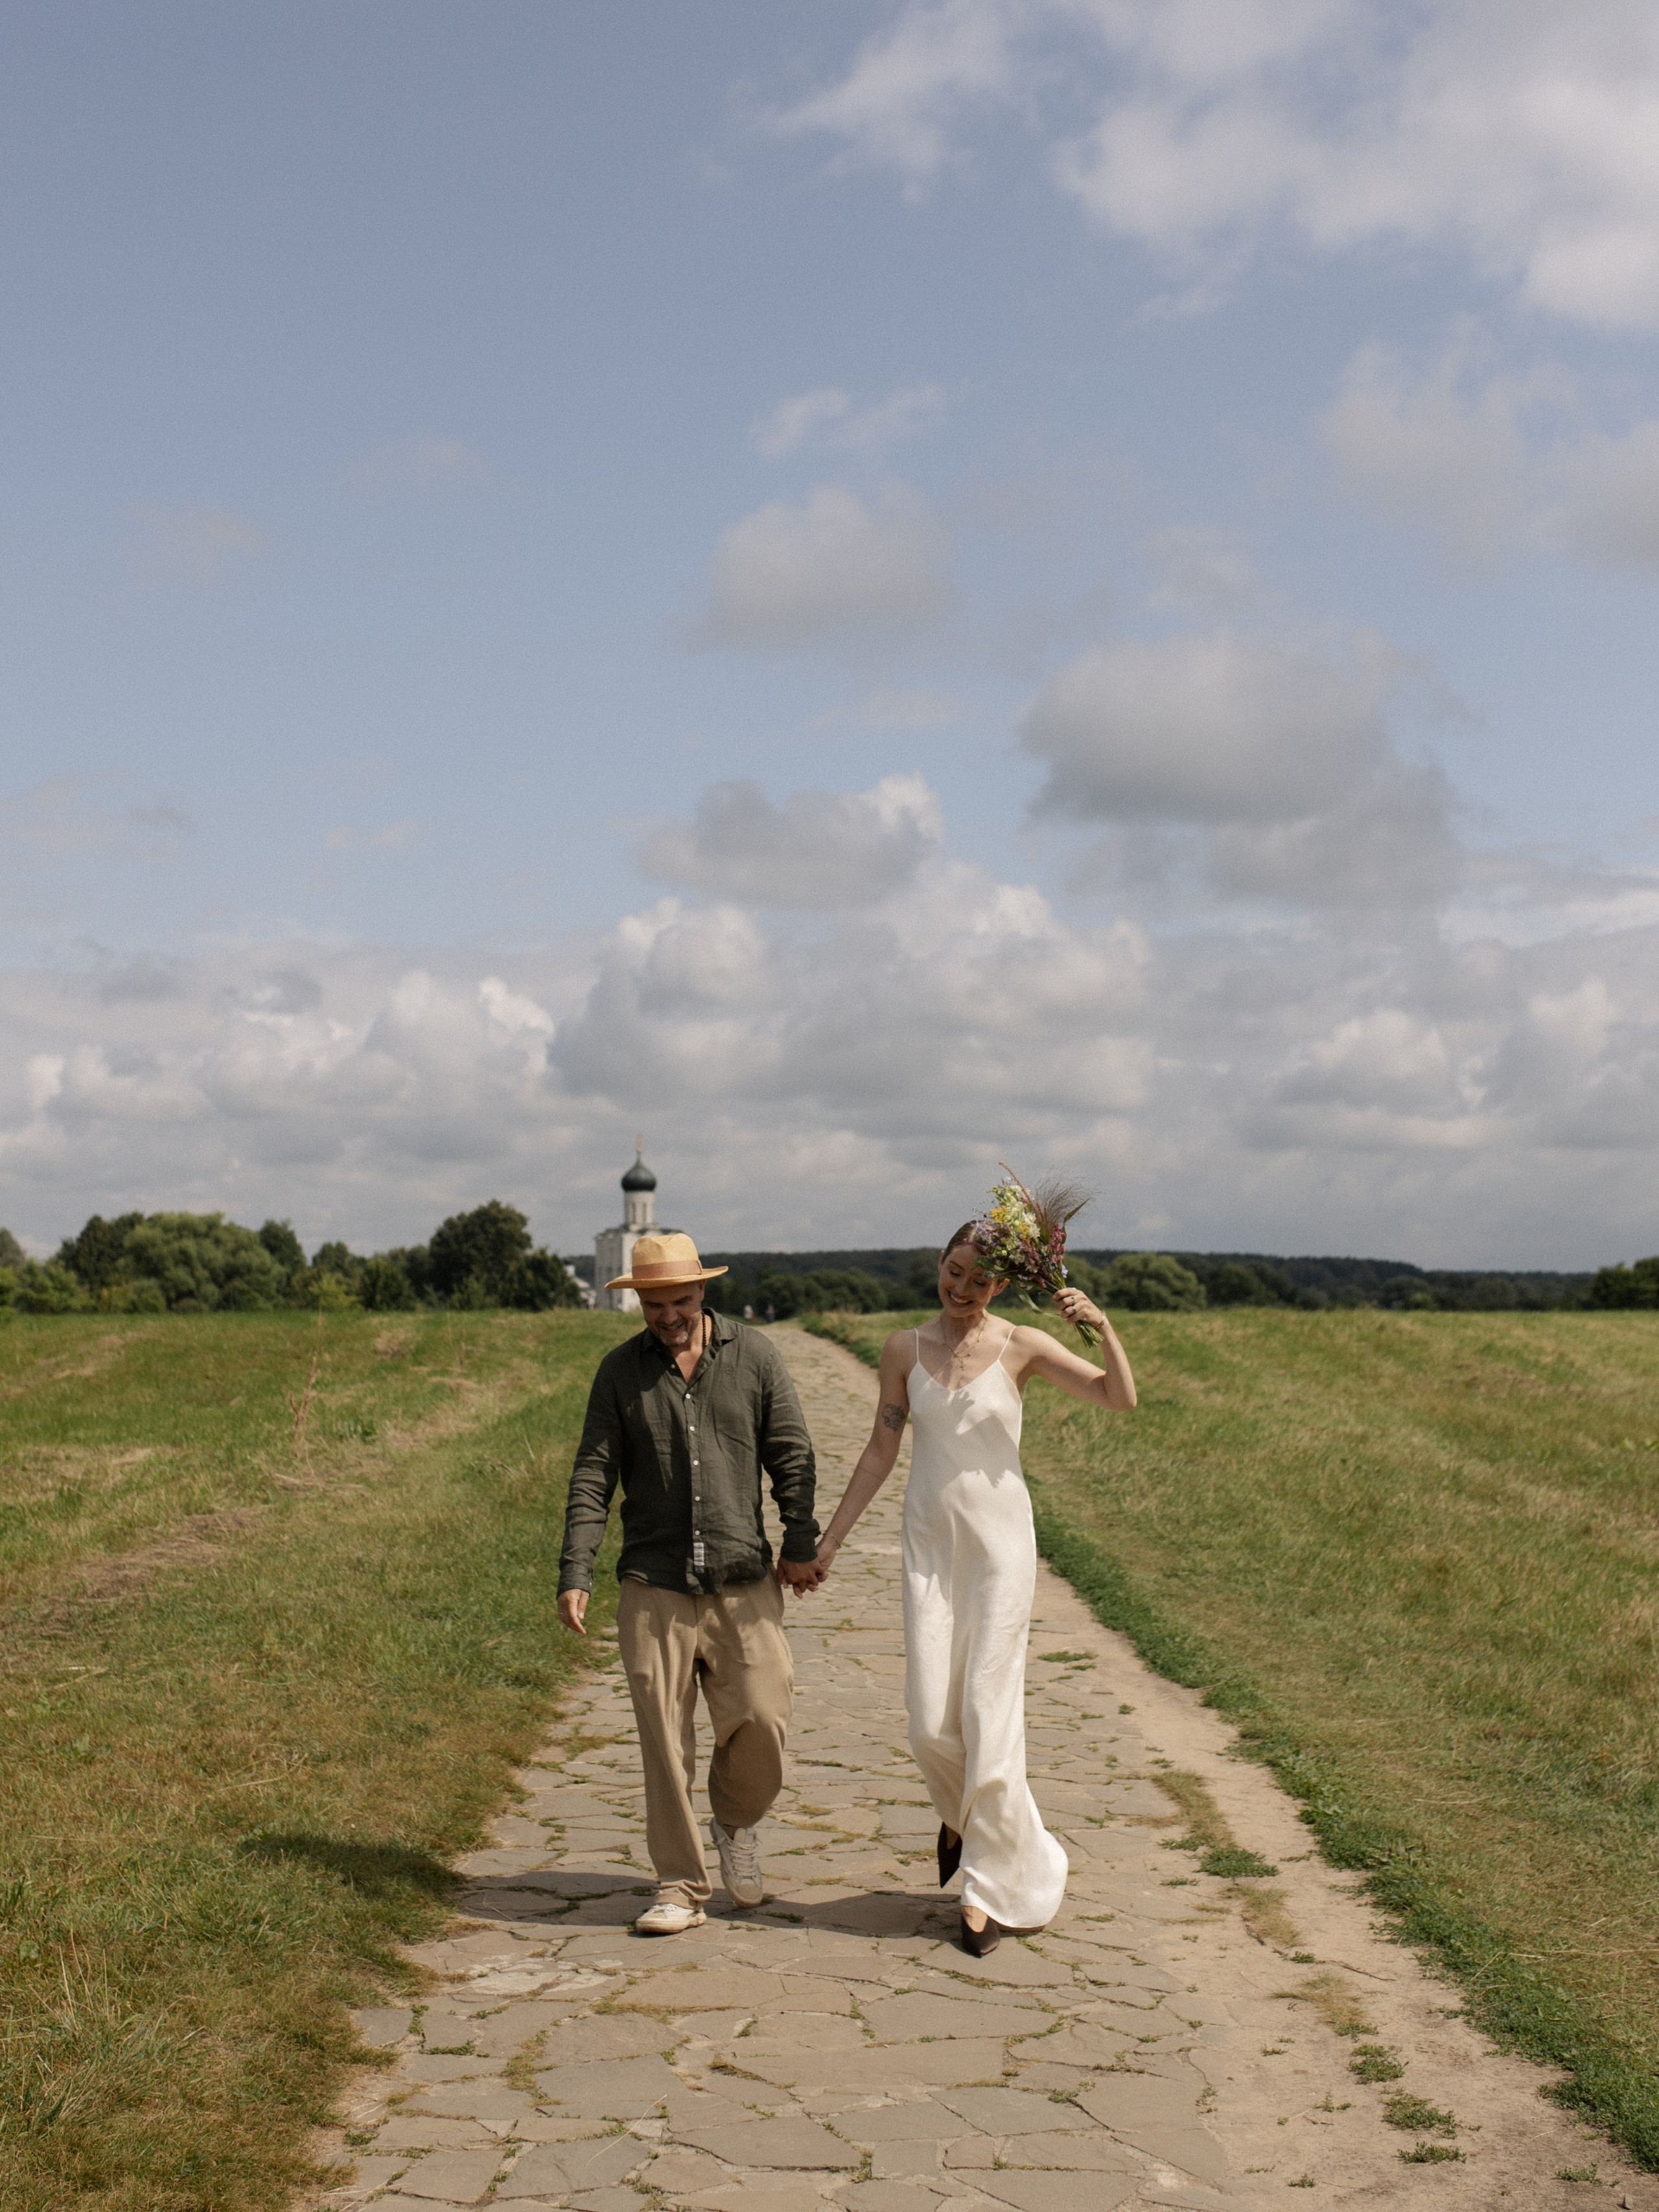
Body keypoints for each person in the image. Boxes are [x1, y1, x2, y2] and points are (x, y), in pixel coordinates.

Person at [811, 1227, 1135, 1954]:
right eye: (953, 1272)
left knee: (989, 1719)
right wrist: (829, 1540)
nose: (961, 1290)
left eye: (979, 1282)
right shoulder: (902, 1349)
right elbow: (880, 1448)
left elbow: (1119, 1396)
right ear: (939, 1264)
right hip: (930, 1551)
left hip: (999, 1555)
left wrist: (1101, 1325)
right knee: (929, 1725)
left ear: (1000, 1288)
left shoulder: (1021, 1346)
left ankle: (986, 1891)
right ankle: (962, 1815)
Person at [557, 1232, 822, 1936]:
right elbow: (593, 1474)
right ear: (638, 1301)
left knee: (764, 1718)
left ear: (703, 1292)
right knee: (664, 1743)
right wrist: (575, 1569)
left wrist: (800, 1542)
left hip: (743, 1577)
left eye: (679, 1299)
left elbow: (791, 1452)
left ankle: (735, 1821)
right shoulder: (619, 1372)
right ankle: (677, 1882)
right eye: (654, 1302)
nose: (668, 1314)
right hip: (655, 1580)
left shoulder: (755, 1355)